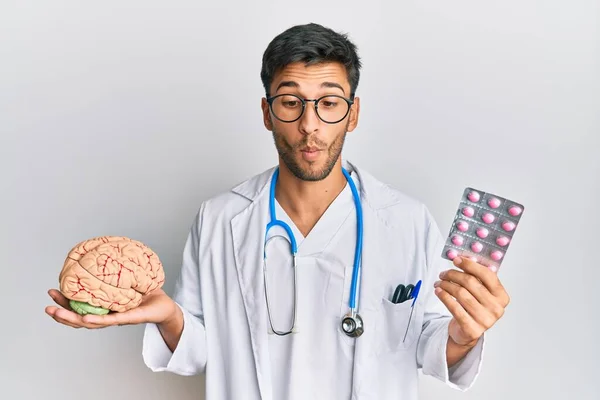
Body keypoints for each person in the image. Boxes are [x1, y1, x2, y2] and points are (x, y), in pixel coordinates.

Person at [46, 22, 510, 400]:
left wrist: (465, 334)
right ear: (267, 112)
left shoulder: (406, 220)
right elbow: (198, 353)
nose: (310, 126)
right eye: (291, 103)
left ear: (353, 113)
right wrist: (168, 316)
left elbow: (432, 347)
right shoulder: (220, 219)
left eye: (329, 103)